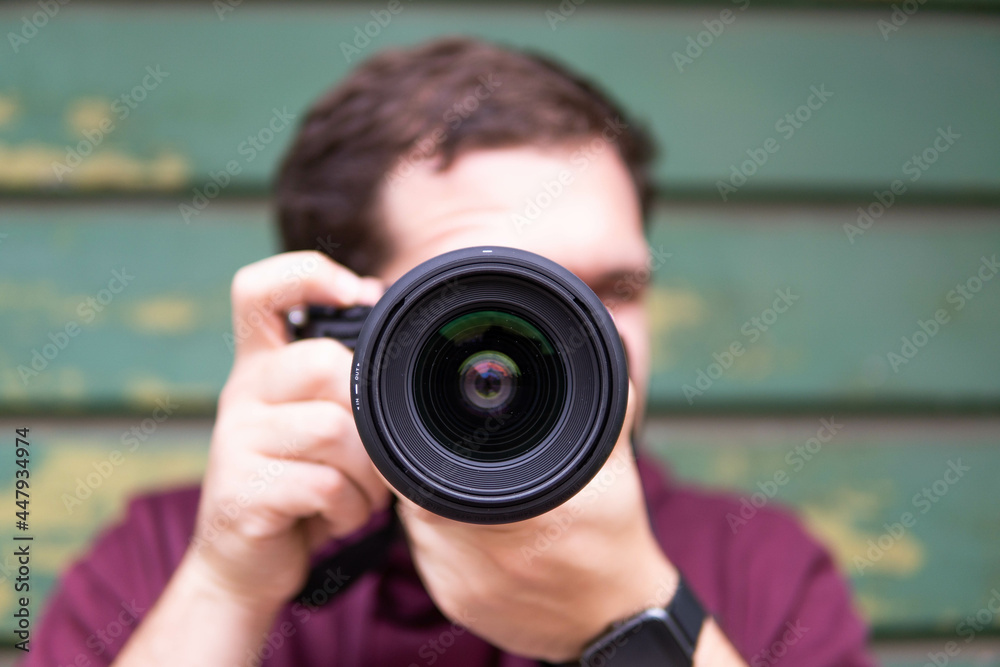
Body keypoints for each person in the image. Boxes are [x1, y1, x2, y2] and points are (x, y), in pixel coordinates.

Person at [30, 38, 875, 666]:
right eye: (502, 297)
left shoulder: (755, 563)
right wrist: (226, 589)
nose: (579, 339)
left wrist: (637, 616)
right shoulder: (179, 549)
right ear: (342, 321)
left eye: (611, 291)